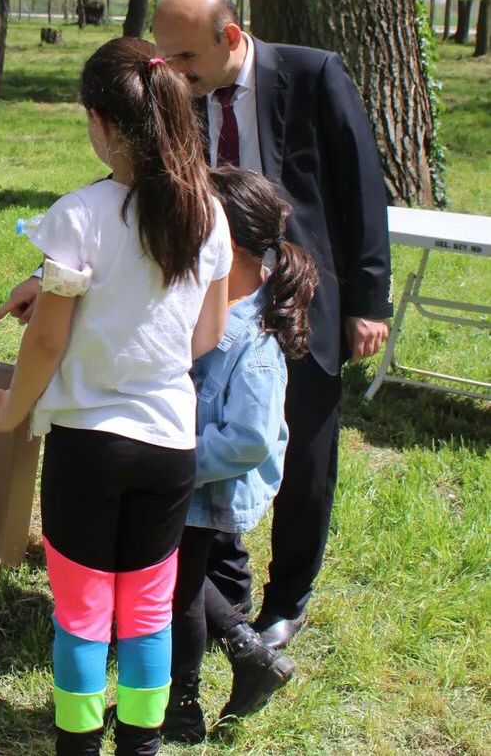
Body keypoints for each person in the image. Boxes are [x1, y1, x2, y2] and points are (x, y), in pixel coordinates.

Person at [0, 0, 392, 651]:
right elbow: (129, 201)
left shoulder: (312, 75)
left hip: (301, 289)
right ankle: (210, 596)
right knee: (206, 445)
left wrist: (370, 303)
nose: (171, 74)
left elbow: (361, 187)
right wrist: (46, 274)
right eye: (163, 58)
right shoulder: (175, 103)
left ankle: (286, 600)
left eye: (183, 57)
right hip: (209, 287)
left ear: (229, 38)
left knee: (305, 455)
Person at [0, 37, 233, 756]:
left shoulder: (76, 216)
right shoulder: (207, 215)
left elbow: (48, 344)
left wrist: (8, 412)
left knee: (83, 613)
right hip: (169, 444)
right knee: (147, 612)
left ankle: (77, 746)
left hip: (88, 446)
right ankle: (141, 746)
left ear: (100, 121)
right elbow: (205, 330)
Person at [164, 166, 318, 744]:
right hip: (188, 480)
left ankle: (179, 708)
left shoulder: (251, 342)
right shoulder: (213, 307)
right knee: (181, 576)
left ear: (224, 247)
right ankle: (250, 656)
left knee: (178, 594)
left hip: (204, 486)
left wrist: (179, 460)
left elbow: (250, 438)